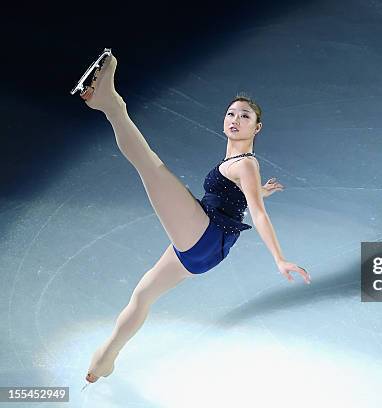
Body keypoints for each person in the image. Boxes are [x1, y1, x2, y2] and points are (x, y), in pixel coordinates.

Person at [77, 51, 311, 385]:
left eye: (244, 116)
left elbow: (257, 213)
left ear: (256, 127)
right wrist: (259, 191)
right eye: (231, 113)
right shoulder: (240, 165)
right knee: (142, 296)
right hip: (203, 246)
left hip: (206, 235)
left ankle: (110, 103)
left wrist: (279, 258)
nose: (235, 119)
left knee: (150, 166)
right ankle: (103, 361)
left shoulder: (246, 163)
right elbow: (242, 198)